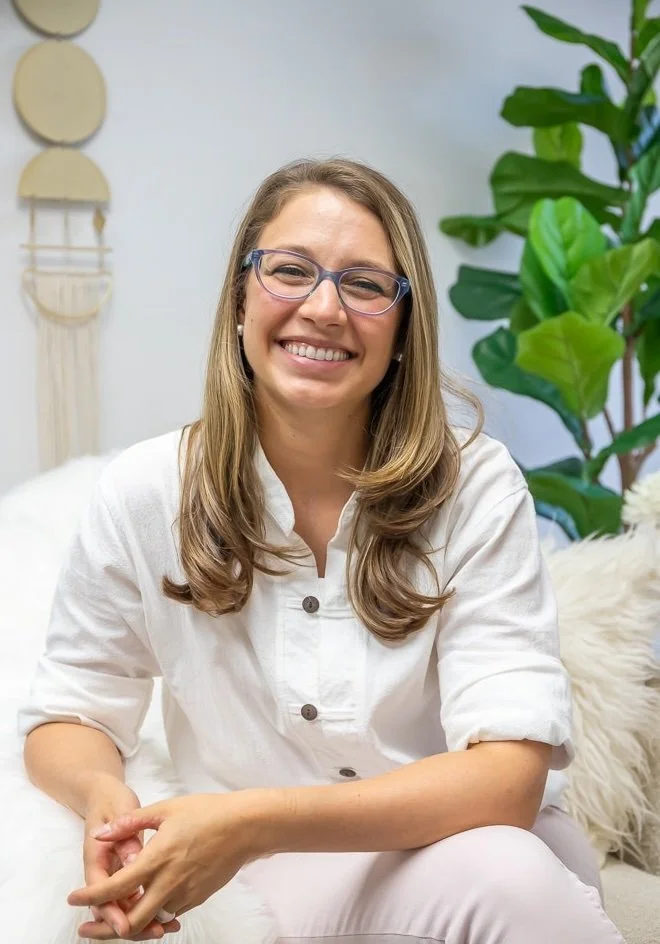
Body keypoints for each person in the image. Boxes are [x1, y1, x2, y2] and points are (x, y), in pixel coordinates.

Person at [18, 157, 625, 944]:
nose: (324, 307)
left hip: (470, 835)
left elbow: (509, 778)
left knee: (515, 872)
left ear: (405, 328)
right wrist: (108, 801)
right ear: (240, 300)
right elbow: (69, 710)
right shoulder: (144, 491)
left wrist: (247, 821)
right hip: (270, 880)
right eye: (290, 270)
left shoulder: (475, 484)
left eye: (366, 284)